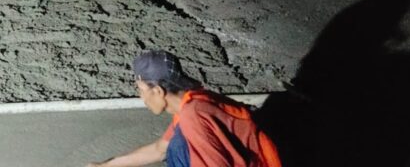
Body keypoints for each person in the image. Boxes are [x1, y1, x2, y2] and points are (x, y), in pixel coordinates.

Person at [87, 50, 281, 167]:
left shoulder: (194, 117)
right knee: (175, 146)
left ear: (158, 91)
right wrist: (106, 165)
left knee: (179, 146)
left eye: (141, 90)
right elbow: (159, 149)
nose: (141, 97)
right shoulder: (193, 102)